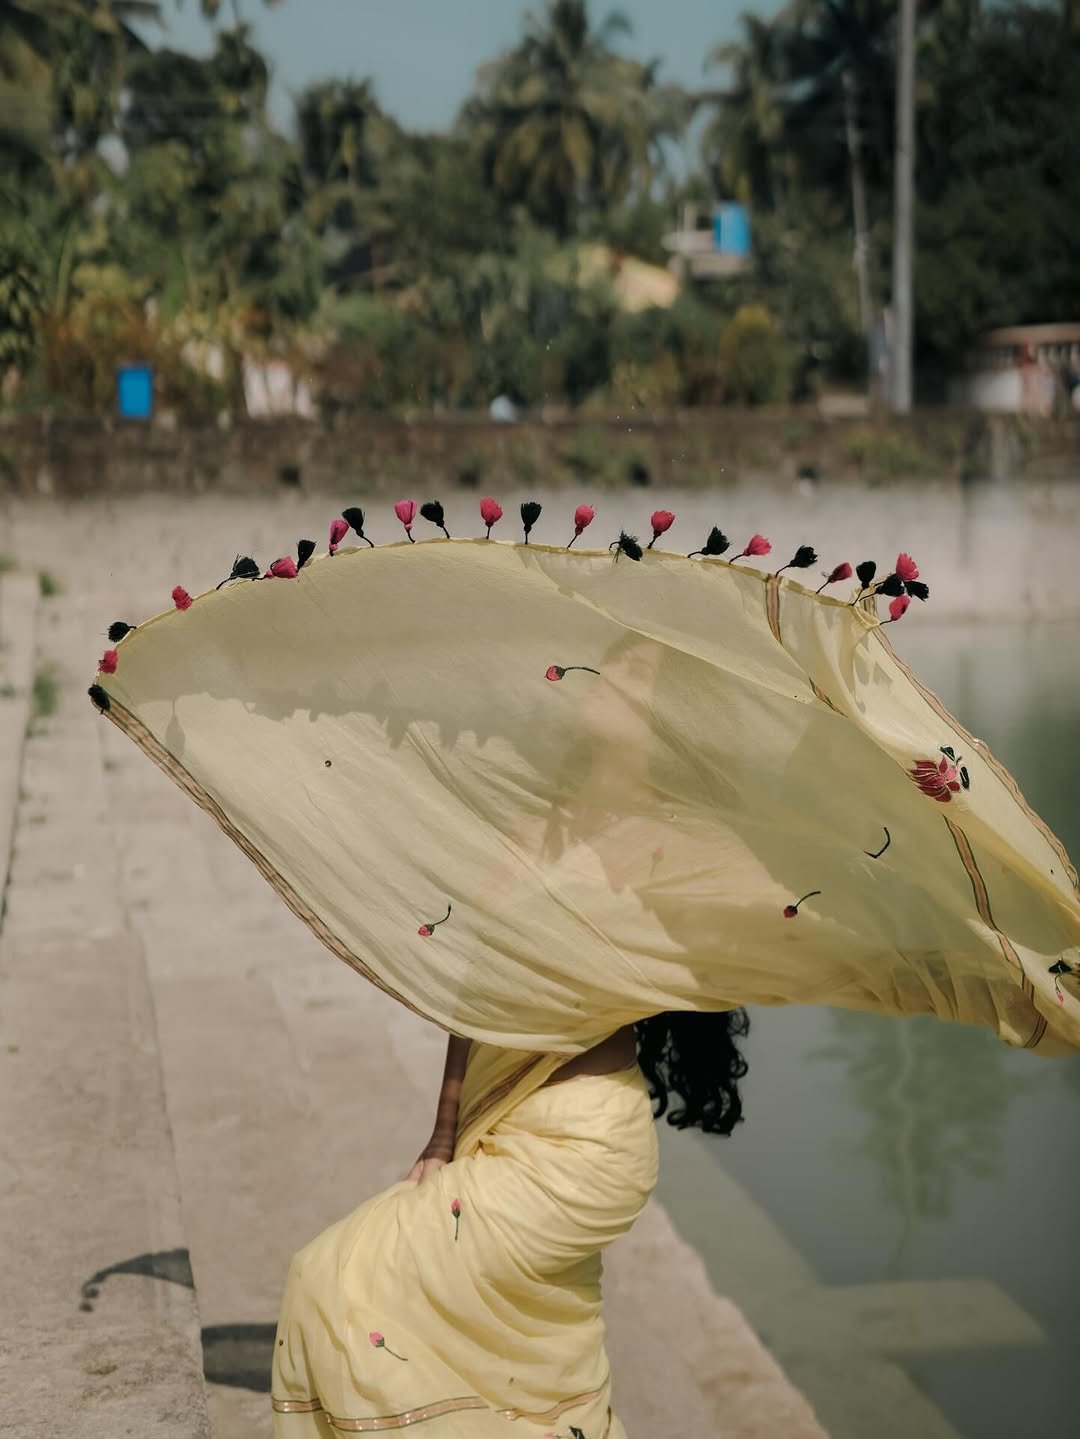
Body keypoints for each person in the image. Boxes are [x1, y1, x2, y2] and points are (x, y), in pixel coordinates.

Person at [88, 511, 1080, 1435]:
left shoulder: (684, 851)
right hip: (492, 1120)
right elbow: (475, 988)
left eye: (632, 684)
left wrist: (928, 809)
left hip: (582, 1142)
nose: (606, 690)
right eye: (605, 677)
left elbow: (856, 922)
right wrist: (439, 1132)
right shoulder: (530, 824)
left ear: (662, 722)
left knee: (331, 1280)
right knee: (542, 1366)